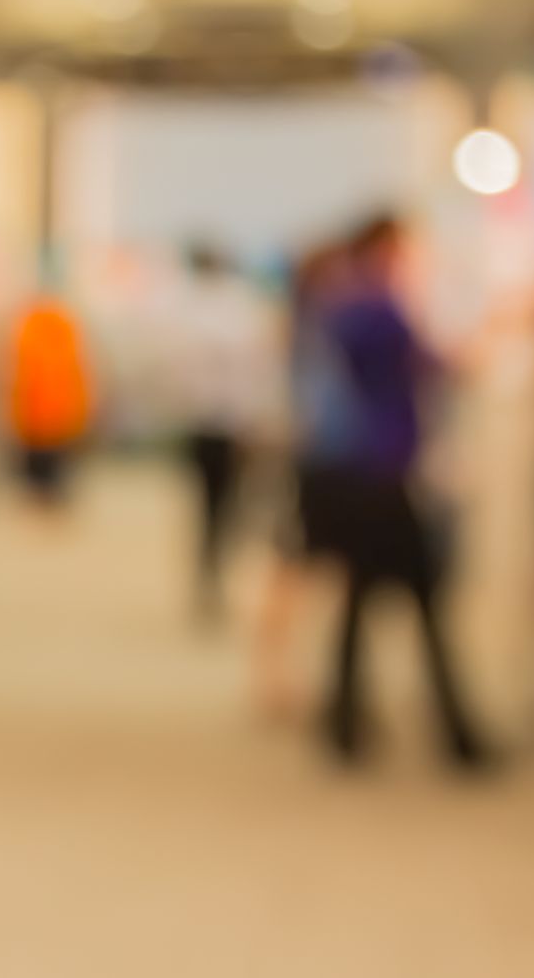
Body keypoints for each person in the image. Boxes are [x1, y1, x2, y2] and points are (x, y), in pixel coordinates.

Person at [318, 214, 492, 771]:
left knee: (360, 601)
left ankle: (346, 724)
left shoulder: (344, 307)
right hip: (386, 474)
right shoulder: (379, 309)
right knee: (422, 602)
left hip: (363, 469)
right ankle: (456, 735)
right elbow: (428, 365)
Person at [252, 238, 356, 717]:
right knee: (293, 577)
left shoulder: (305, 329)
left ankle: (286, 678)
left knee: (300, 580)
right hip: (316, 468)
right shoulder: (315, 332)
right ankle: (278, 679)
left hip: (315, 464)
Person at [163, 242, 280, 628]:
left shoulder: (192, 310)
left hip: (203, 423)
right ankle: (214, 573)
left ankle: (208, 573)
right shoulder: (240, 310)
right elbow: (255, 371)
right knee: (226, 507)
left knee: (208, 506)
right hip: (229, 425)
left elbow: (179, 371)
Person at [6, 290, 92, 506]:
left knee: (48, 460)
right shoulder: (58, 327)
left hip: (43, 412)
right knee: (48, 460)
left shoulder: (33, 327)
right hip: (48, 411)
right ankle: (46, 494)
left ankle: (45, 494)